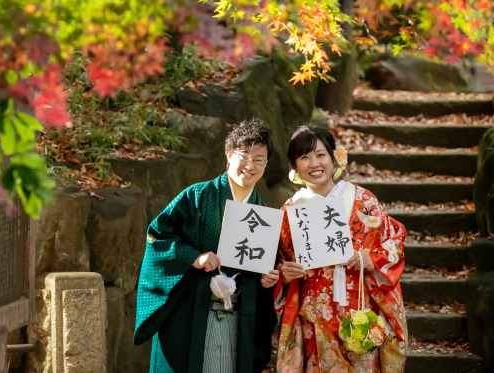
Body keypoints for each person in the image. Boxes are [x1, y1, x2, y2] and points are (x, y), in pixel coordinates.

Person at [134, 118, 280, 373]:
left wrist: (268, 280)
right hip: (190, 313)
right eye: (244, 155)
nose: (250, 165)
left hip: (236, 315)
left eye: (259, 159)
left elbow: (264, 270)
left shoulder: (263, 213)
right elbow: (157, 236)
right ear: (228, 155)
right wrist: (194, 257)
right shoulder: (196, 196)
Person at [275, 125, 408, 373]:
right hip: (313, 315)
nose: (314, 164)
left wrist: (374, 260)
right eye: (304, 157)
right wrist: (284, 275)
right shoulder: (289, 211)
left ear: (334, 157)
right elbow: (278, 262)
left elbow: (394, 238)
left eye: (320, 154)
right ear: (294, 166)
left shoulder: (363, 200)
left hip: (359, 311)